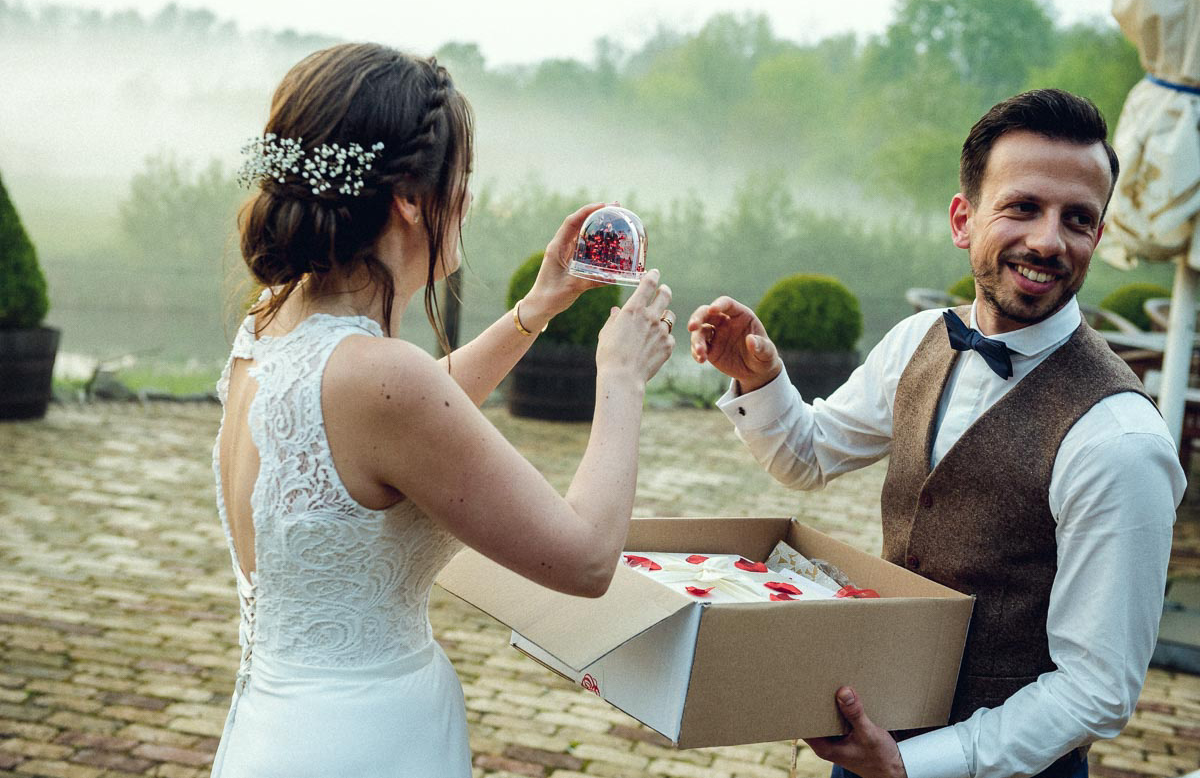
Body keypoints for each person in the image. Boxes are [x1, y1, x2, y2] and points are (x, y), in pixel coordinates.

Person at [687, 88, 1185, 778]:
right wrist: (759, 378)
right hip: (866, 741)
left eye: (1077, 218)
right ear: (963, 218)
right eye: (1023, 207)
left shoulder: (1122, 441)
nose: (1048, 239)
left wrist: (915, 765)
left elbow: (1097, 690)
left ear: (1097, 236)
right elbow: (805, 456)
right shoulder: (916, 340)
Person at [210, 42, 675, 778]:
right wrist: (621, 377)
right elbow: (586, 559)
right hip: (365, 744)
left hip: (277, 728)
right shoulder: (380, 377)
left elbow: (405, 424)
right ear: (408, 197)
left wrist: (536, 309)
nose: (468, 197)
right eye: (461, 177)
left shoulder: (272, 325)